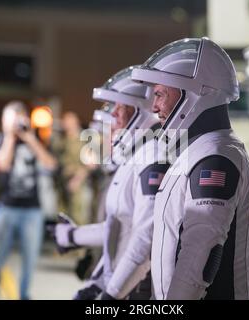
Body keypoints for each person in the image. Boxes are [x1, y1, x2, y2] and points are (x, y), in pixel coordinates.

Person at [131, 37, 249, 300]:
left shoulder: (216, 156)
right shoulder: (198, 152)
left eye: (160, 94)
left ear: (193, 94)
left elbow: (198, 258)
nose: (154, 107)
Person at [54, 66, 168, 300]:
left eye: (121, 106)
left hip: (136, 292)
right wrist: (73, 237)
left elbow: (144, 241)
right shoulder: (137, 158)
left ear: (141, 111)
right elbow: (119, 228)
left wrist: (110, 295)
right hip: (120, 283)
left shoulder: (152, 159)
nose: (114, 116)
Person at [0, 101, 57, 300]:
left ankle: (24, 295)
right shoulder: (1, 139)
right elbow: (3, 165)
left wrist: (30, 139)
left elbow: (51, 164)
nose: (14, 125)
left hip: (32, 210)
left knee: (30, 259)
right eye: (10, 120)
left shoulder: (36, 140)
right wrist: (10, 136)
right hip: (7, 208)